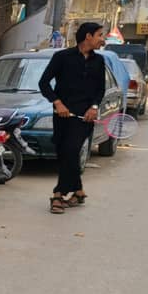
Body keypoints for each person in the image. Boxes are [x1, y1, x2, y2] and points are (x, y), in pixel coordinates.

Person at [38, 22, 106, 214]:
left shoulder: (99, 61)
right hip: (62, 115)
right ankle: (78, 191)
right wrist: (57, 103)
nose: (103, 39)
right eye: (100, 35)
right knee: (65, 153)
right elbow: (44, 83)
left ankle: (58, 194)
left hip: (85, 117)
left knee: (71, 149)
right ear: (88, 37)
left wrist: (94, 107)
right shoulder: (62, 57)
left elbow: (100, 89)